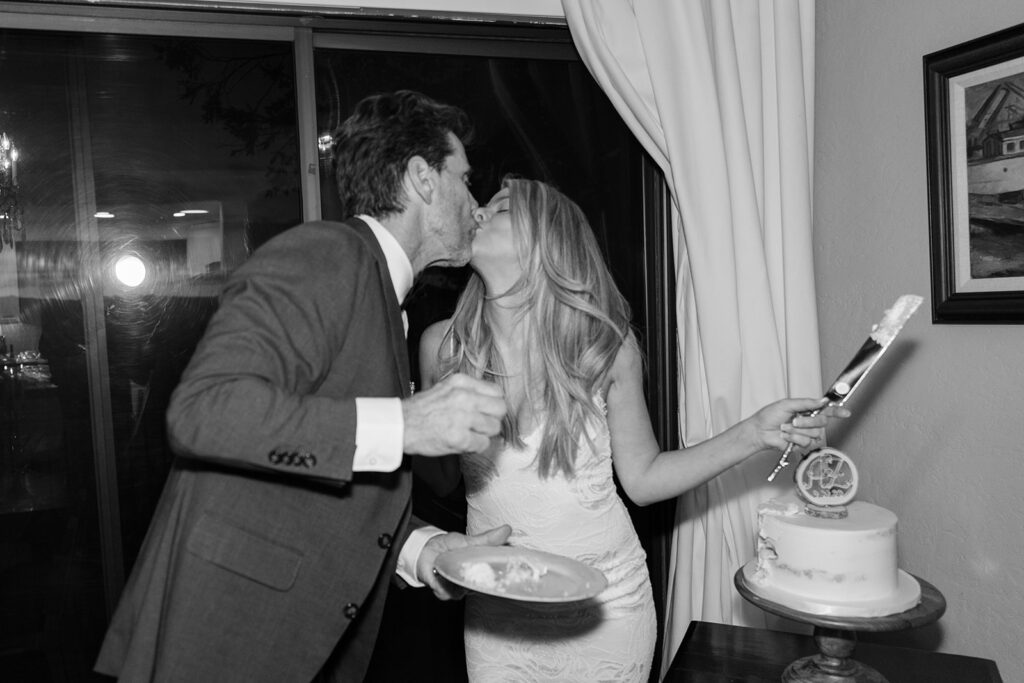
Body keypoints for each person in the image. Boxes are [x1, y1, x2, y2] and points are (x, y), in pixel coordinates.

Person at [94, 90, 512, 683]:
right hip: (227, 638)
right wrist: (408, 423)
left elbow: (322, 483)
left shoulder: (385, 294)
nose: (475, 205)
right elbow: (205, 412)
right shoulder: (327, 254)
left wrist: (427, 551)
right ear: (422, 178)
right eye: (465, 181)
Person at [417, 178, 849, 682]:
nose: (480, 212)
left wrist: (754, 432)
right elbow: (440, 481)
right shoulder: (441, 348)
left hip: (607, 606)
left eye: (503, 208)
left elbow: (643, 480)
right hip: (498, 616)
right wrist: (413, 429)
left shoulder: (604, 347)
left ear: (547, 241)